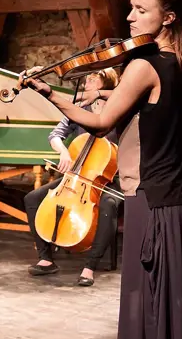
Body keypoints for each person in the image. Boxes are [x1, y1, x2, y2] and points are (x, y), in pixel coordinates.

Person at [23, 0, 182, 339]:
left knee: (145, 304)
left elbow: (101, 124)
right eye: (131, 7)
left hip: (149, 199)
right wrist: (106, 92)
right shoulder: (179, 58)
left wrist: (49, 91)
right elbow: (148, 106)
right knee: (162, 305)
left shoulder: (143, 66)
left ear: (168, 17)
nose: (130, 17)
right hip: (171, 197)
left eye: (141, 10)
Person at [25, 68, 122, 287]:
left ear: (106, 83)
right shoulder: (80, 108)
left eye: (93, 80)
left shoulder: (119, 108)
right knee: (32, 198)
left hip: (110, 177)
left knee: (108, 205)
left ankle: (90, 266)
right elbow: (55, 135)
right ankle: (46, 259)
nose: (87, 84)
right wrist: (63, 152)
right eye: (87, 80)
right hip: (79, 174)